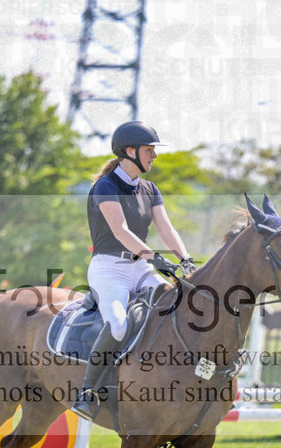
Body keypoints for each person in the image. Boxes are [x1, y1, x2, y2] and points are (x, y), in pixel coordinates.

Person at [71, 121, 196, 421]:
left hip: (139, 268)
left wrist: (185, 258)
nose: (154, 156)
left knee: (176, 306)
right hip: (108, 269)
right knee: (117, 324)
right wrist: (155, 258)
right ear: (130, 152)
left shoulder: (150, 189)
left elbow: (166, 228)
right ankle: (87, 391)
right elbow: (121, 230)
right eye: (149, 150)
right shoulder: (105, 186)